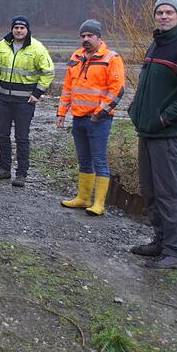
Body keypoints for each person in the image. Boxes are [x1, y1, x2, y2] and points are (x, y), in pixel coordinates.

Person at [128, 0, 177, 269]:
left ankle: (174, 251)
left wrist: (165, 117)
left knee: (167, 192)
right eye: (159, 12)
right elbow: (147, 84)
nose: (163, 16)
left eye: (169, 13)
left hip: (165, 133)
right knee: (149, 190)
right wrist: (135, 109)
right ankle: (159, 241)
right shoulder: (156, 45)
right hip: (146, 130)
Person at [57, 19, 125, 216]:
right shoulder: (76, 57)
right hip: (78, 117)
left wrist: (100, 113)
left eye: (90, 36)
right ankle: (83, 198)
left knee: (99, 161)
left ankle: (99, 204)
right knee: (84, 160)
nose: (86, 39)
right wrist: (61, 113)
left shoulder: (111, 58)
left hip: (99, 120)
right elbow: (68, 88)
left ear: (98, 37)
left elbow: (117, 90)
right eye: (83, 36)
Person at [0, 15, 55, 187]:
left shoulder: (37, 48)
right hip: (4, 99)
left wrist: (37, 93)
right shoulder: (2, 46)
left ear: (27, 30)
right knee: (2, 134)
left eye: (22, 28)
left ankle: (21, 174)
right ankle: (4, 169)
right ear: (12, 29)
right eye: (16, 27)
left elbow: (48, 72)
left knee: (21, 137)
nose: (18, 30)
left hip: (25, 102)